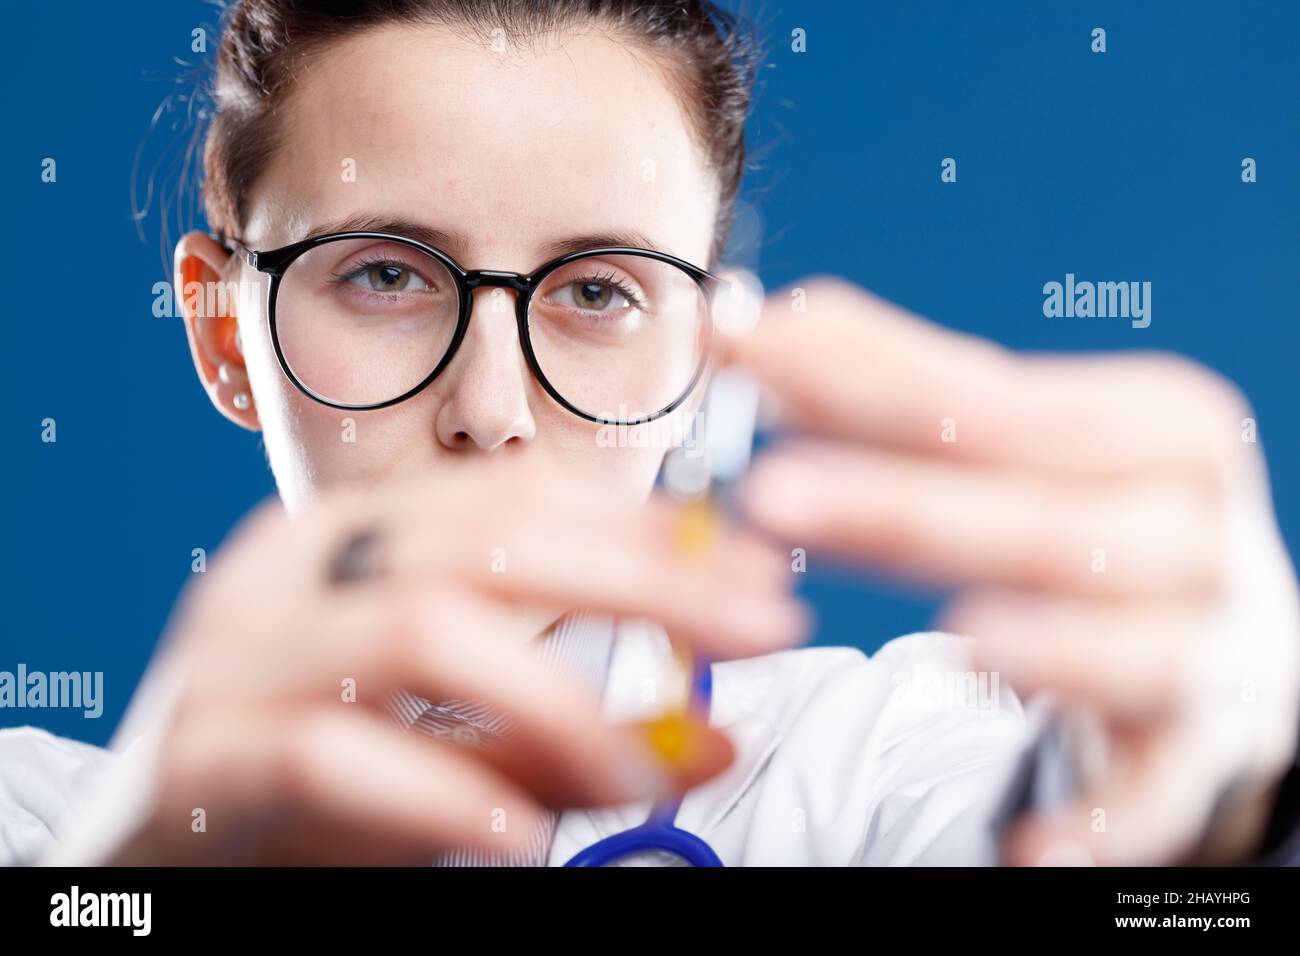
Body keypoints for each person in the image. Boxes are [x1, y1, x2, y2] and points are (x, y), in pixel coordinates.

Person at [3, 0, 1299, 867]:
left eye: (595, 292)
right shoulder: (46, 829)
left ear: (703, 357)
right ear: (225, 333)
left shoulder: (872, 771)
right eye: (386, 275)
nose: (490, 412)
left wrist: (1218, 807)